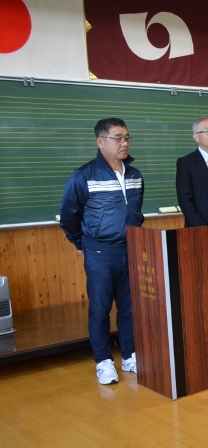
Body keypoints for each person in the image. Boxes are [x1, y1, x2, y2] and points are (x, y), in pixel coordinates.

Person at [59, 118, 144, 385]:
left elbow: (136, 212)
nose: (124, 143)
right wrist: (81, 244)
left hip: (130, 250)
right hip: (99, 254)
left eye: (127, 138)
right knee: (100, 309)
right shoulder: (83, 175)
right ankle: (104, 361)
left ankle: (129, 355)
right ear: (100, 142)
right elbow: (69, 217)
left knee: (129, 308)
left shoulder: (135, 175)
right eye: (118, 138)